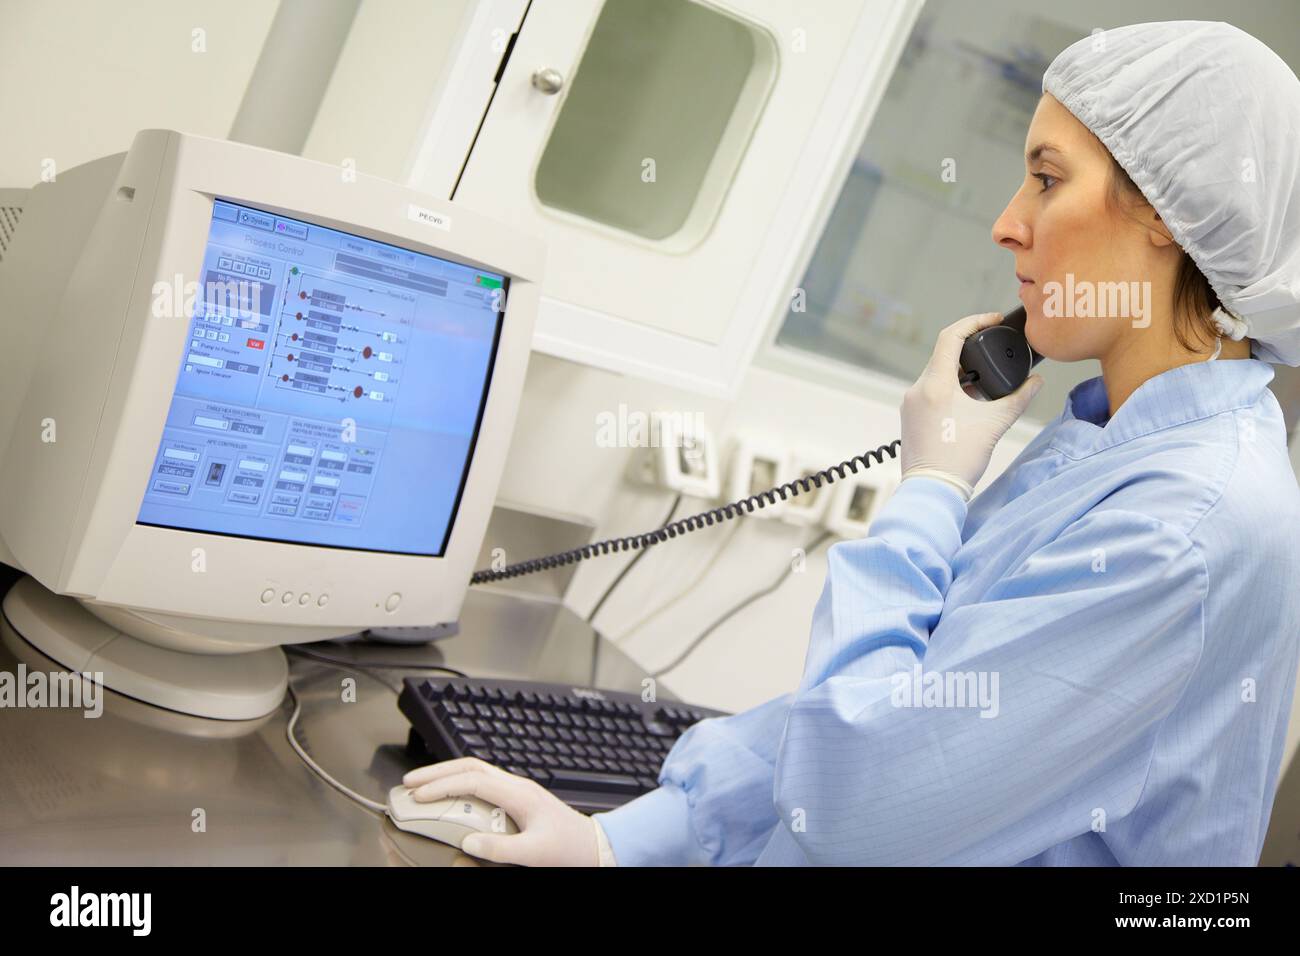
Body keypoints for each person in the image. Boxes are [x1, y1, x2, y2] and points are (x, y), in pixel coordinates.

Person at [401, 20, 1300, 866]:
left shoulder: (1186, 525)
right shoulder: (1112, 437)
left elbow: (856, 800)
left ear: (1164, 216)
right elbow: (896, 702)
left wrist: (932, 491)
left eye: (1047, 179)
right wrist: (621, 842)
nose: (1007, 221)